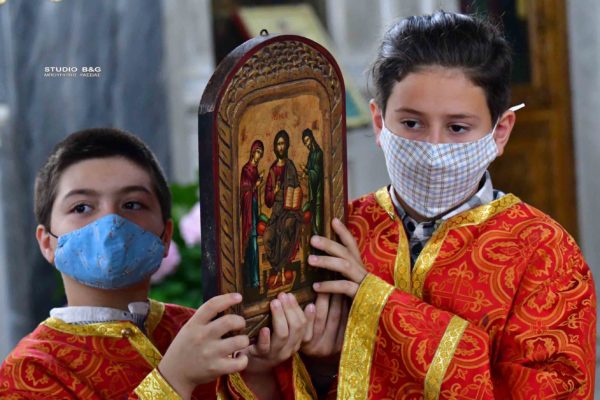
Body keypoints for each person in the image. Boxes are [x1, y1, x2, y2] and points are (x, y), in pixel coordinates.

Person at [306, 11, 596, 399]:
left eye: (457, 127)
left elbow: (552, 390)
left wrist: (375, 301)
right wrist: (316, 366)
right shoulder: (338, 231)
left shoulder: (545, 252)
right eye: (412, 124)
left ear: (500, 132)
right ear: (379, 122)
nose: (433, 150)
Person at [0, 128, 315, 399]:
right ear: (47, 242)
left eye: (132, 204)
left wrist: (258, 372)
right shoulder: (30, 369)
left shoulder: (198, 329)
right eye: (82, 207)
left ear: (165, 237)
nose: (110, 223)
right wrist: (175, 379)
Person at [263, 129, 303, 288]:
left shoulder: (290, 166)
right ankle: (277, 268)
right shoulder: (272, 171)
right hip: (277, 211)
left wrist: (297, 193)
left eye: (283, 144)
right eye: (278, 144)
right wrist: (275, 192)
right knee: (267, 237)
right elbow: (267, 200)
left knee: (286, 229)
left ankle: (282, 271)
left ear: (286, 146)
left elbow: (297, 186)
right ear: (275, 147)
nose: (281, 147)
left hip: (291, 211)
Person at [240, 140, 264, 288]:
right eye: (257, 152)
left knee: (254, 244)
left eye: (261, 153)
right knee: (252, 244)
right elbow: (244, 189)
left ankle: (254, 279)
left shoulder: (255, 169)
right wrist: (256, 185)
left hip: (254, 207)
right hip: (248, 211)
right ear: (252, 152)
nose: (258, 156)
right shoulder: (246, 169)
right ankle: (253, 280)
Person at [301, 128, 324, 238]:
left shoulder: (319, 153)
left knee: (317, 214)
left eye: (307, 140)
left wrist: (307, 171)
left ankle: (317, 236)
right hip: (312, 192)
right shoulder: (311, 155)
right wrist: (304, 172)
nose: (307, 144)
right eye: (305, 142)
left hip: (318, 191)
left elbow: (316, 173)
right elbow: (309, 168)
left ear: (312, 138)